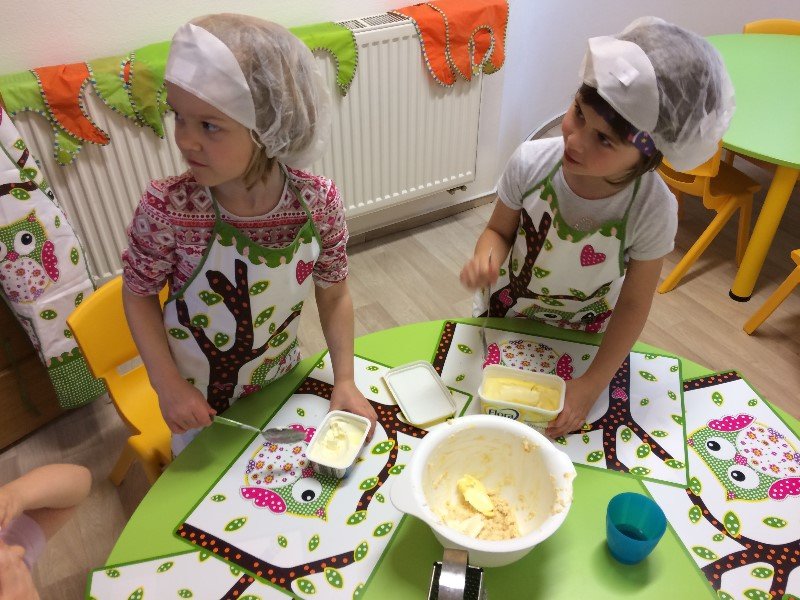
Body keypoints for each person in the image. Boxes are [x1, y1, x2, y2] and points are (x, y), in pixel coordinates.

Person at [460, 17, 734, 438]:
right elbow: (499, 232)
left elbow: (634, 305)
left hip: (586, 333)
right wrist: (486, 257)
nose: (575, 140)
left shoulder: (652, 209)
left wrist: (591, 385)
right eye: (578, 113)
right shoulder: (530, 163)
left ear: (649, 154)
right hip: (509, 315)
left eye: (604, 139)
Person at [121, 14, 377, 455]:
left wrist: (346, 380)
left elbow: (334, 295)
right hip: (197, 405)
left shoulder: (317, 202)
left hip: (279, 384)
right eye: (179, 117)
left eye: (209, 125)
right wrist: (168, 386)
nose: (185, 140)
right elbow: (138, 294)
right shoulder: (169, 209)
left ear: (267, 124)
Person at [0, 463, 92, 591]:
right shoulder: (12, 568)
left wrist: (15, 495)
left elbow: (80, 480)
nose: (18, 552)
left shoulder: (10, 559)